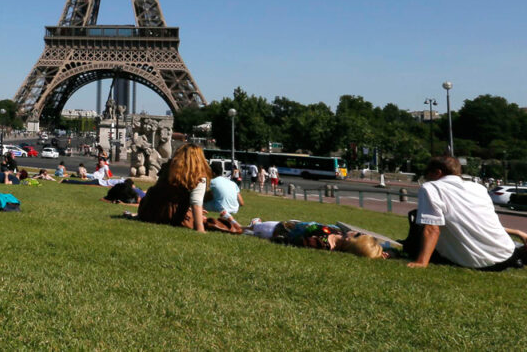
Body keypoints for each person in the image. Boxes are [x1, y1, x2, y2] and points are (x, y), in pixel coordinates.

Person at [407, 156, 527, 270]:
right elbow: (478, 222)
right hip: (507, 256)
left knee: (417, 216)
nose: (426, 177)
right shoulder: (478, 188)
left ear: (438, 172)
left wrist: (422, 262)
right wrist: (517, 232)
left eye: (428, 173)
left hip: (476, 261)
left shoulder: (431, 187)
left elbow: (432, 229)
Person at [136, 144, 213, 233]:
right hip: (172, 216)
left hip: (148, 212)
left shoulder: (167, 168)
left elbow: (157, 191)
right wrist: (200, 228)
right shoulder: (197, 176)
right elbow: (196, 202)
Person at [245, 220, 385, 259]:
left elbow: (289, 242)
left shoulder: (320, 243)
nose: (357, 231)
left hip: (278, 229)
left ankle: (253, 227)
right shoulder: (339, 234)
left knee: (251, 228)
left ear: (350, 241)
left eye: (358, 234)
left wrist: (274, 239)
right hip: (293, 223)